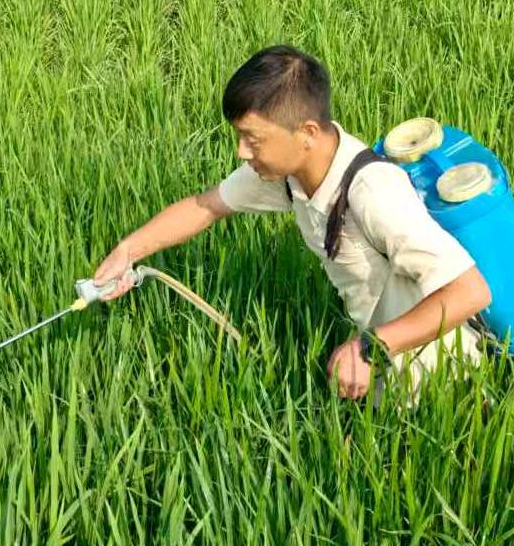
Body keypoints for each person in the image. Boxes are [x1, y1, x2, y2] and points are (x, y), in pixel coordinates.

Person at [92, 45, 492, 402]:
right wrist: (128, 251)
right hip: (382, 372)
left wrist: (369, 347)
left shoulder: (373, 192)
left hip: (447, 383)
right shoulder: (288, 173)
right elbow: (206, 206)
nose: (241, 151)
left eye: (252, 138)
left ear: (306, 133)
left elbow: (470, 292)